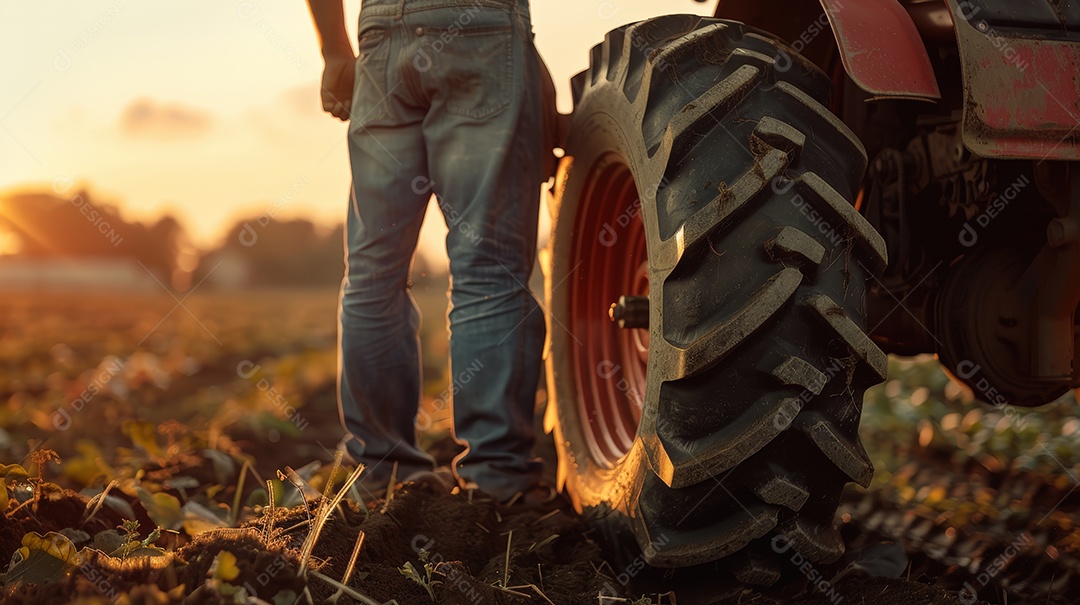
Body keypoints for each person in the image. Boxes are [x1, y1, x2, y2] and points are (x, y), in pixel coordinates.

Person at [306, 0, 549, 503]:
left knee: (374, 271)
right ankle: (497, 482)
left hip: (383, 28)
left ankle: (382, 473)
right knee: (488, 270)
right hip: (482, 23)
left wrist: (333, 50)